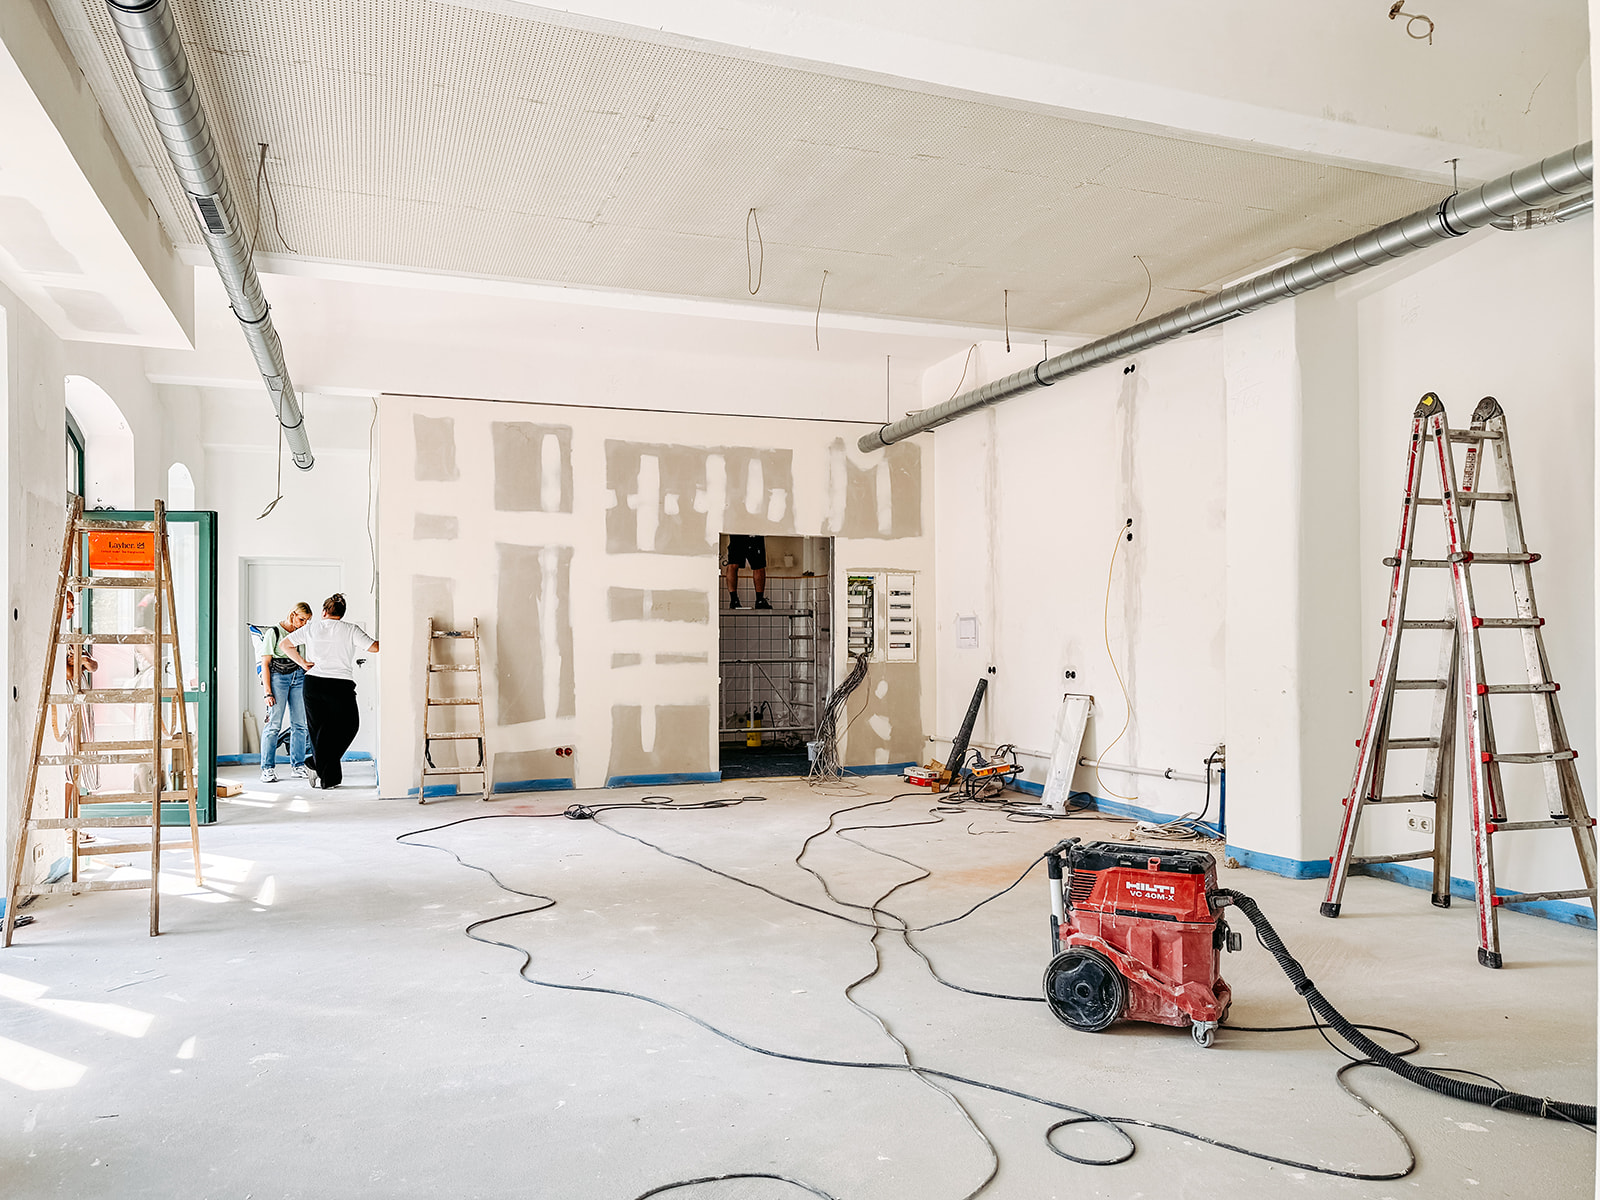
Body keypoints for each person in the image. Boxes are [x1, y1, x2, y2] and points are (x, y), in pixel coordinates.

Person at [280, 593, 378, 789]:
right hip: (340, 685)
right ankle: (325, 775)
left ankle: (316, 765)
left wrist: (302, 663)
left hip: (313, 683)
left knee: (319, 731)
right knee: (349, 725)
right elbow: (374, 647)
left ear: (324, 611)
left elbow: (285, 644)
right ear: (342, 614)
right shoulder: (350, 629)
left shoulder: (311, 628)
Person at [258, 602, 312, 783]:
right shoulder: (273, 633)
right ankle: (267, 769)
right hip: (277, 678)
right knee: (273, 725)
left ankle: (298, 766)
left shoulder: (300, 634)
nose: (304, 624)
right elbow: (265, 664)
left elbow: (301, 659)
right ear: (293, 615)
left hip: (299, 677)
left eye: (307, 621)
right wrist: (267, 692)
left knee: (300, 724)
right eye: (302, 619)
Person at [724, 534, 771, 609]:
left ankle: (734, 600)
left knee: (733, 563)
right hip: (752, 531)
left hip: (736, 531)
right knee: (758, 565)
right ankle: (759, 601)